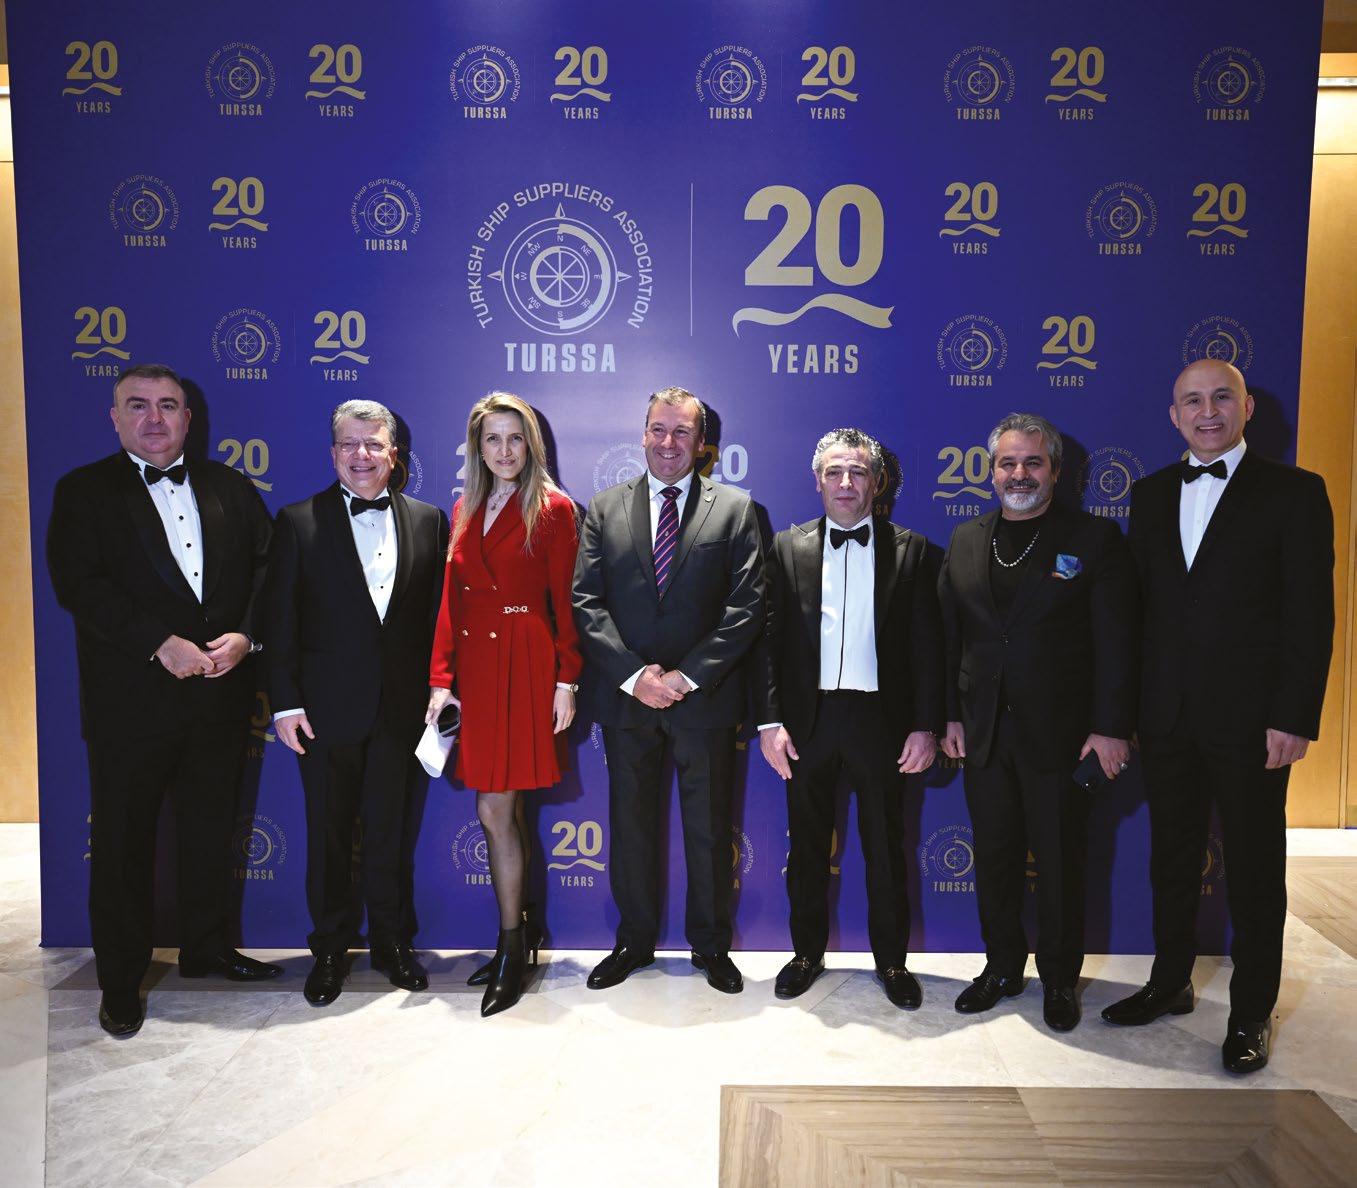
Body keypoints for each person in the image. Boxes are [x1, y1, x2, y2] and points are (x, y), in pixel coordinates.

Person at [1102, 359, 1334, 1073]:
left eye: (1221, 397)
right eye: (1193, 401)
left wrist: (1293, 716)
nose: (1208, 412)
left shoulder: (1295, 492)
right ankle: (1169, 982)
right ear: (1174, 415)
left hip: (1254, 723)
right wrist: (1126, 714)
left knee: (1256, 871)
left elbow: (1310, 615)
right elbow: (1137, 616)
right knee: (1171, 860)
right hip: (1166, 718)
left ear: (1246, 408)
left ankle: (1251, 1014)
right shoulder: (1149, 494)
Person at [47, 363, 281, 1037]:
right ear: (114, 416)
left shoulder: (230, 486)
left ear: (188, 417)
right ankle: (120, 982)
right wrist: (159, 643)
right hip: (130, 706)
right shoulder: (84, 490)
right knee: (123, 846)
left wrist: (247, 635)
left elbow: (268, 569)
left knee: (209, 832)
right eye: (138, 405)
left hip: (219, 699)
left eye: (168, 405)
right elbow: (78, 585)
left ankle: (206, 950)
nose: (154, 418)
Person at [939, 413, 1137, 1032]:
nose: (1018, 474)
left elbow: (1118, 643)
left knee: (1059, 863)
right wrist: (948, 715)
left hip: (1063, 738)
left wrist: (1111, 728)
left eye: (1032, 462)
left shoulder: (1094, 538)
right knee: (994, 858)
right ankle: (1001, 968)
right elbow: (949, 639)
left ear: (1055, 470)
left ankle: (1057, 979)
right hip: (984, 735)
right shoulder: (966, 538)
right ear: (991, 471)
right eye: (1007, 463)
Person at [572, 387, 765, 994]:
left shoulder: (736, 509)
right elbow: (586, 602)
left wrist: (685, 676)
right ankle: (633, 942)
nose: (668, 442)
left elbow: (747, 606)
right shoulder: (604, 508)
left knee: (709, 829)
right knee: (630, 828)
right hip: (627, 700)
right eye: (658, 429)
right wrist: (637, 677)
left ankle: (710, 946)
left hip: (704, 700)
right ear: (643, 434)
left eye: (682, 432)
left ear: (702, 443)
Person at [260, 400, 448, 1007]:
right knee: (329, 837)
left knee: (391, 834)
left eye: (373, 444)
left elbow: (438, 621)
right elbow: (279, 622)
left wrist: (442, 688)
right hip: (323, 713)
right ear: (333, 452)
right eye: (349, 444)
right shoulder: (297, 521)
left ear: (395, 454)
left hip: (402, 712)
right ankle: (329, 950)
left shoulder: (430, 521)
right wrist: (285, 705)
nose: (361, 455)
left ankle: (392, 944)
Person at [754, 428, 943, 1007]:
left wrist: (925, 725)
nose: (845, 483)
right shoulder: (786, 548)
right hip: (806, 722)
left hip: (881, 722)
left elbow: (929, 649)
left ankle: (892, 963)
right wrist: (769, 721)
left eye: (857, 472)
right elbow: (767, 643)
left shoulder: (913, 551)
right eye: (834, 472)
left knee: (886, 848)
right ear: (817, 480)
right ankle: (805, 954)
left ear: (876, 483)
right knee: (807, 848)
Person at [426, 392, 581, 1016]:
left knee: (495, 808)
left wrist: (566, 680)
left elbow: (567, 604)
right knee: (503, 810)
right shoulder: (464, 505)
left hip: (526, 664)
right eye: (493, 438)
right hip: (477, 670)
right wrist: (441, 679)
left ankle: (512, 947)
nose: (505, 450)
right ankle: (521, 932)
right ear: (477, 447)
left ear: (532, 444)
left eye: (516, 438)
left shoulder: (555, 509)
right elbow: (451, 601)